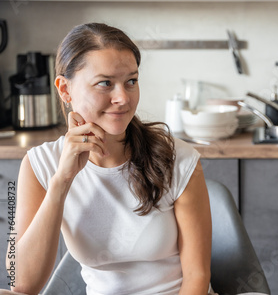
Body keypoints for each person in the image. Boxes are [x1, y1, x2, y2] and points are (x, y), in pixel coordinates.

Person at [5, 23, 213, 295]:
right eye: (105, 83)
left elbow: (197, 277)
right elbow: (21, 283)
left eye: (131, 81)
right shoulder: (39, 164)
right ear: (65, 90)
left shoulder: (177, 157)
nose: (123, 98)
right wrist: (62, 182)